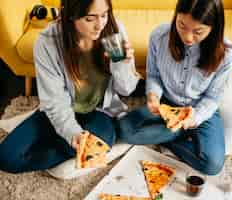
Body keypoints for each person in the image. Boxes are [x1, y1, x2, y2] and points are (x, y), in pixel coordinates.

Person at [0, 0, 140, 173]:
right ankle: (65, 141)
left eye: (104, 15)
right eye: (90, 19)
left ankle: (64, 142)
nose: (100, 25)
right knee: (7, 158)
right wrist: (72, 134)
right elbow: (55, 100)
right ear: (71, 15)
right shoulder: (47, 42)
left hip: (99, 110)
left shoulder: (114, 31)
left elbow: (126, 89)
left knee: (104, 141)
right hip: (62, 107)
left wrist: (122, 65)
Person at [118, 0, 232, 175]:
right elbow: (154, 76)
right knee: (124, 130)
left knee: (212, 165)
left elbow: (212, 99)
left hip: (198, 109)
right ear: (176, 17)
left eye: (198, 32)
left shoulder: (226, 55)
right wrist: (153, 96)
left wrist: (194, 118)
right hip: (166, 105)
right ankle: (178, 134)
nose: (187, 37)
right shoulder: (159, 36)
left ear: (214, 28)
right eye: (181, 25)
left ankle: (169, 134)